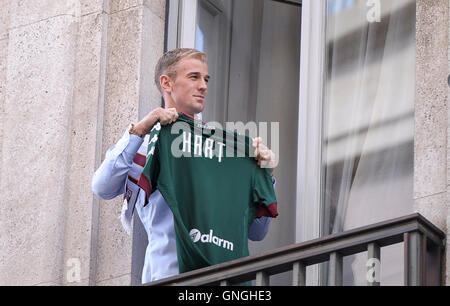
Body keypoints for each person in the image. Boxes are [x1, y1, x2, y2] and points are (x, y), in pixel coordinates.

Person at [91, 48, 277, 284]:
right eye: (194, 77)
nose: (203, 86)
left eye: (206, 79)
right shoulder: (147, 142)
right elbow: (102, 187)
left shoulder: (226, 151)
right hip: (169, 276)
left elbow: (256, 232)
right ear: (166, 83)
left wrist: (265, 175)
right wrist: (140, 130)